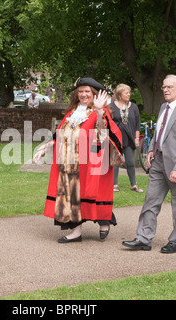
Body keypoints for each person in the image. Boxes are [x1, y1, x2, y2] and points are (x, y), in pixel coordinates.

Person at [33, 77, 123, 242]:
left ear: (94, 94)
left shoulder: (100, 111)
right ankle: (76, 233)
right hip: (69, 162)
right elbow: (59, 134)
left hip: (91, 162)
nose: (83, 94)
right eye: (80, 91)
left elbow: (104, 134)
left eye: (87, 91)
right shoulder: (72, 112)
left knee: (92, 192)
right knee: (72, 194)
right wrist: (44, 149)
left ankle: (105, 221)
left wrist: (98, 110)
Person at [122, 75, 176, 254]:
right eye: (164, 87)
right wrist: (150, 149)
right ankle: (144, 238)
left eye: (169, 87)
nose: (165, 90)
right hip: (158, 161)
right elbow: (159, 132)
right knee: (151, 200)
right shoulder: (164, 107)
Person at [110, 84, 142, 193]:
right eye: (126, 93)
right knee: (116, 162)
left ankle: (133, 185)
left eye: (129, 92)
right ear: (119, 94)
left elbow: (138, 124)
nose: (129, 95)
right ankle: (114, 184)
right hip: (116, 139)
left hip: (129, 139)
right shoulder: (111, 107)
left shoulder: (133, 107)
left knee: (130, 162)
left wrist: (137, 138)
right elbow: (108, 123)